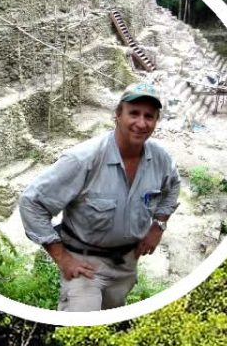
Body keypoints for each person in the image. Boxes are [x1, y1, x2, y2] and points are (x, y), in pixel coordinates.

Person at [19, 81, 180, 311]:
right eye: (134, 113)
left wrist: (158, 225)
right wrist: (62, 258)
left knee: (108, 326)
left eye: (149, 116)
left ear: (156, 121)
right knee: (81, 331)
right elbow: (31, 202)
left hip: (126, 265)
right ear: (117, 115)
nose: (141, 123)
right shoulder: (84, 159)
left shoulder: (161, 159)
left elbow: (173, 185)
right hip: (86, 265)